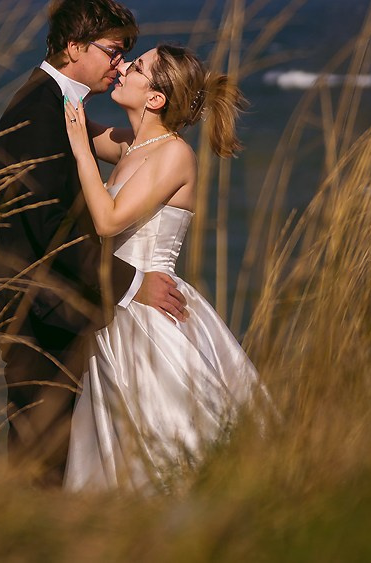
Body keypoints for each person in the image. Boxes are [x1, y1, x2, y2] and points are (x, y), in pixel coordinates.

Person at [0, 0, 189, 485]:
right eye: (113, 51)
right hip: (43, 315)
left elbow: (131, 147)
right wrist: (133, 284)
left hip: (68, 313)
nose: (118, 65)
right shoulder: (39, 111)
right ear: (74, 47)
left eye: (127, 57)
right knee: (42, 470)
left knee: (80, 462)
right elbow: (51, 228)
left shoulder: (62, 107)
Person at [60, 43, 263, 491]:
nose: (124, 68)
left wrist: (80, 153)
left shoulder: (173, 155)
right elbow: (72, 114)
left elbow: (109, 219)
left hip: (150, 316)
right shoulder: (134, 145)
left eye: (135, 66)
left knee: (164, 442)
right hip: (121, 305)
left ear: (154, 98)